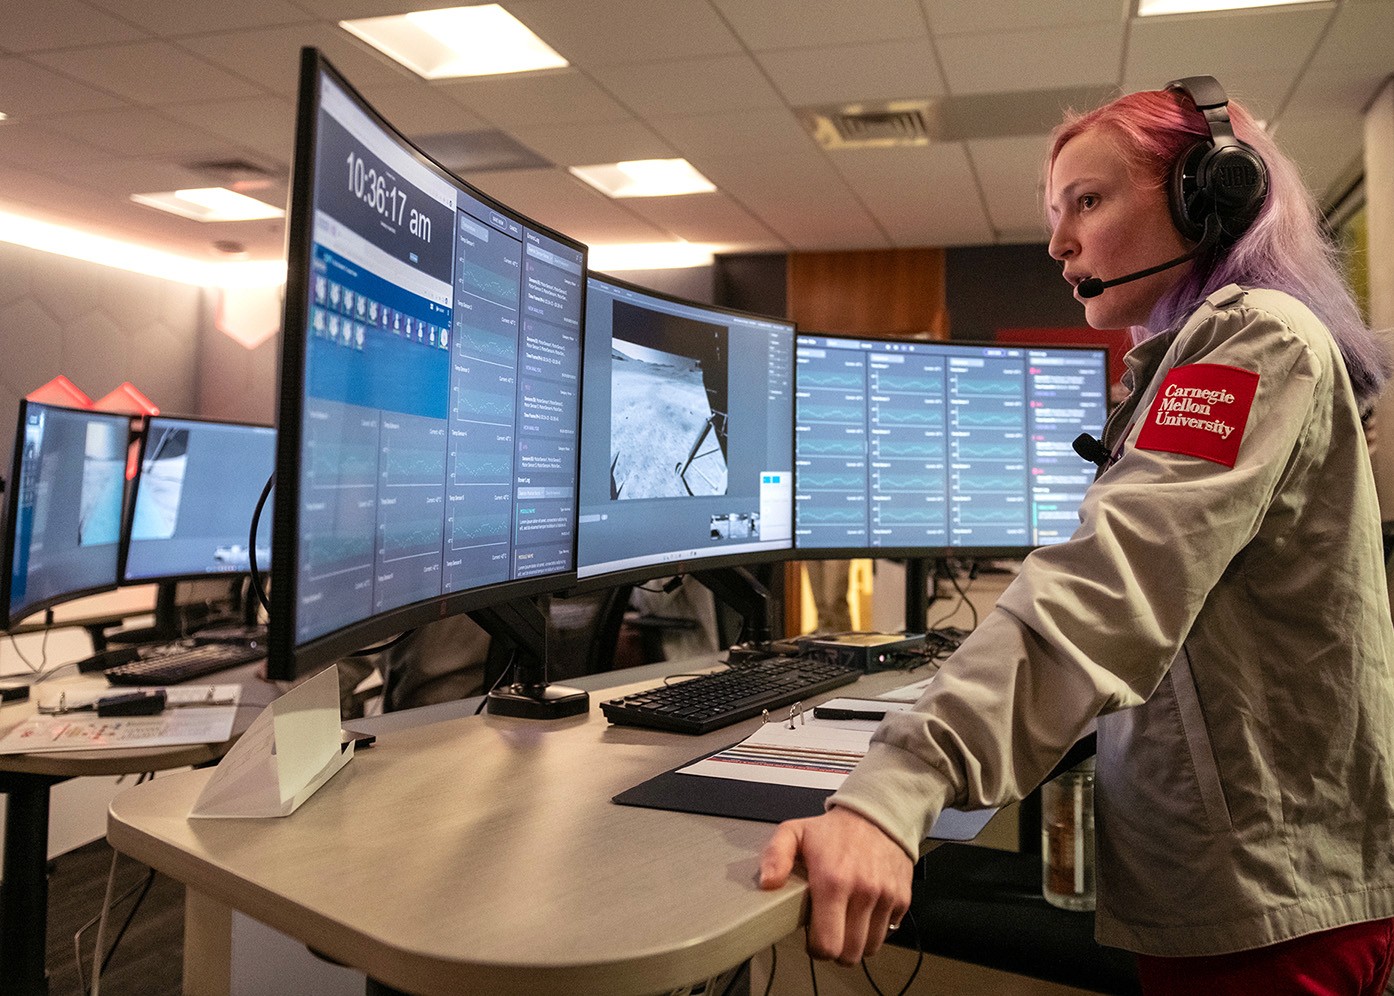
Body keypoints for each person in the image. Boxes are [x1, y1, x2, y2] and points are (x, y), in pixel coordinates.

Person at [759, 76, 1394, 993]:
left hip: (1268, 909)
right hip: (1242, 884)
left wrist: (895, 788)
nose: (1058, 241)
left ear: (1211, 195)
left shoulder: (1255, 340)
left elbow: (1110, 587)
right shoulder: (1204, 353)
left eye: (1087, 203)